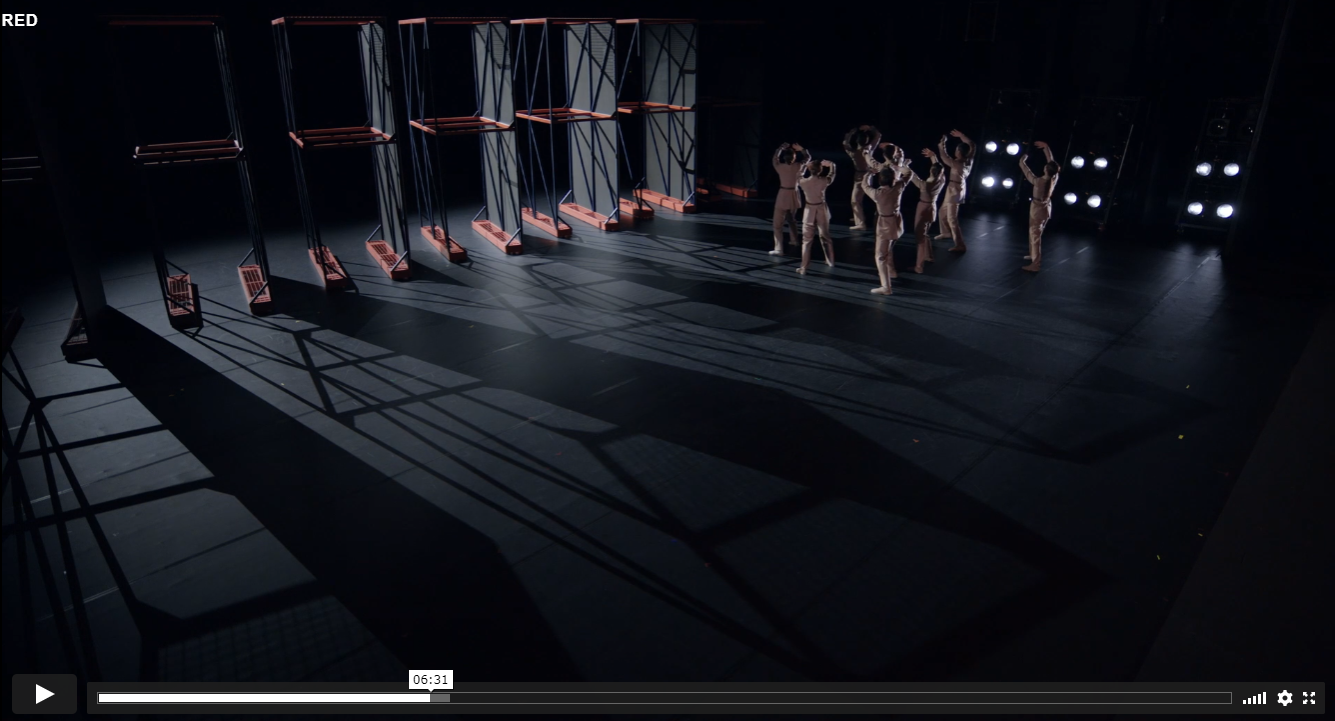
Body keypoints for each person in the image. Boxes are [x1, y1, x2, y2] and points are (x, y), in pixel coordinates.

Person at [862, 145, 911, 295]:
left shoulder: (878, 194)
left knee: (880, 256)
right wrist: (901, 167)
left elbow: (864, 185)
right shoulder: (899, 187)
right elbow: (908, 173)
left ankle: (886, 287)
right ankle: (892, 272)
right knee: (888, 249)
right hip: (897, 222)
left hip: (885, 224)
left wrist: (868, 173)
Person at [1018, 141, 1060, 273]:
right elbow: (1051, 161)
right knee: (1035, 232)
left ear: (1046, 169)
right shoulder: (1054, 177)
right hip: (1045, 207)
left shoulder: (1040, 182)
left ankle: (1035, 263)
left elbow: (1027, 173)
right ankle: (1033, 255)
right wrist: (1046, 148)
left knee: (1035, 234)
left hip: (1038, 209)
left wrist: (1022, 162)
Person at [907, 148, 947, 273]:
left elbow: (912, 176)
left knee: (920, 237)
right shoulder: (942, 180)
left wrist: (904, 166)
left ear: (930, 171)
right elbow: (939, 168)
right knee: (925, 233)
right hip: (932, 207)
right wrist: (933, 156)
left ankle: (919, 266)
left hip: (923, 208)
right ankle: (928, 256)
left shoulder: (925, 186)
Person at [935, 128, 976, 252]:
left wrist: (942, 145)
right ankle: (946, 232)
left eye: (957, 149)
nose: (956, 151)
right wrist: (961, 135)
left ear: (959, 152)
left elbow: (944, 157)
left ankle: (960, 244)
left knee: (952, 219)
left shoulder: (958, 164)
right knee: (942, 212)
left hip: (955, 191)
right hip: (955, 188)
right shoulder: (969, 159)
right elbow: (972, 145)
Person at [797, 158, 837, 274]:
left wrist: (805, 166)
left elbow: (798, 174)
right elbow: (832, 175)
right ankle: (830, 261)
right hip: (821, 210)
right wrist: (832, 165)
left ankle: (804, 267)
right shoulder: (824, 181)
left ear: (810, 170)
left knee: (807, 240)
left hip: (809, 211)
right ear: (820, 170)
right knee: (825, 236)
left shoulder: (803, 182)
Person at [770, 142, 810, 255]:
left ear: (784, 157)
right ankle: (794, 240)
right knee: (791, 219)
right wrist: (802, 149)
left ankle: (779, 249)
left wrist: (780, 148)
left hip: (783, 195)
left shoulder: (780, 167)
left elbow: (775, 158)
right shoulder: (799, 166)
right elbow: (807, 158)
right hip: (793, 194)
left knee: (777, 224)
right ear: (794, 157)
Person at [843, 125, 879, 230]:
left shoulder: (854, 153)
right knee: (874, 197)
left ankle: (860, 222)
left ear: (857, 141)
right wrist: (870, 128)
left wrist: (851, 133)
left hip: (860, 177)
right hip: (869, 175)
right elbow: (878, 136)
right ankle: (877, 216)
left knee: (855, 200)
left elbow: (845, 143)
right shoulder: (869, 149)